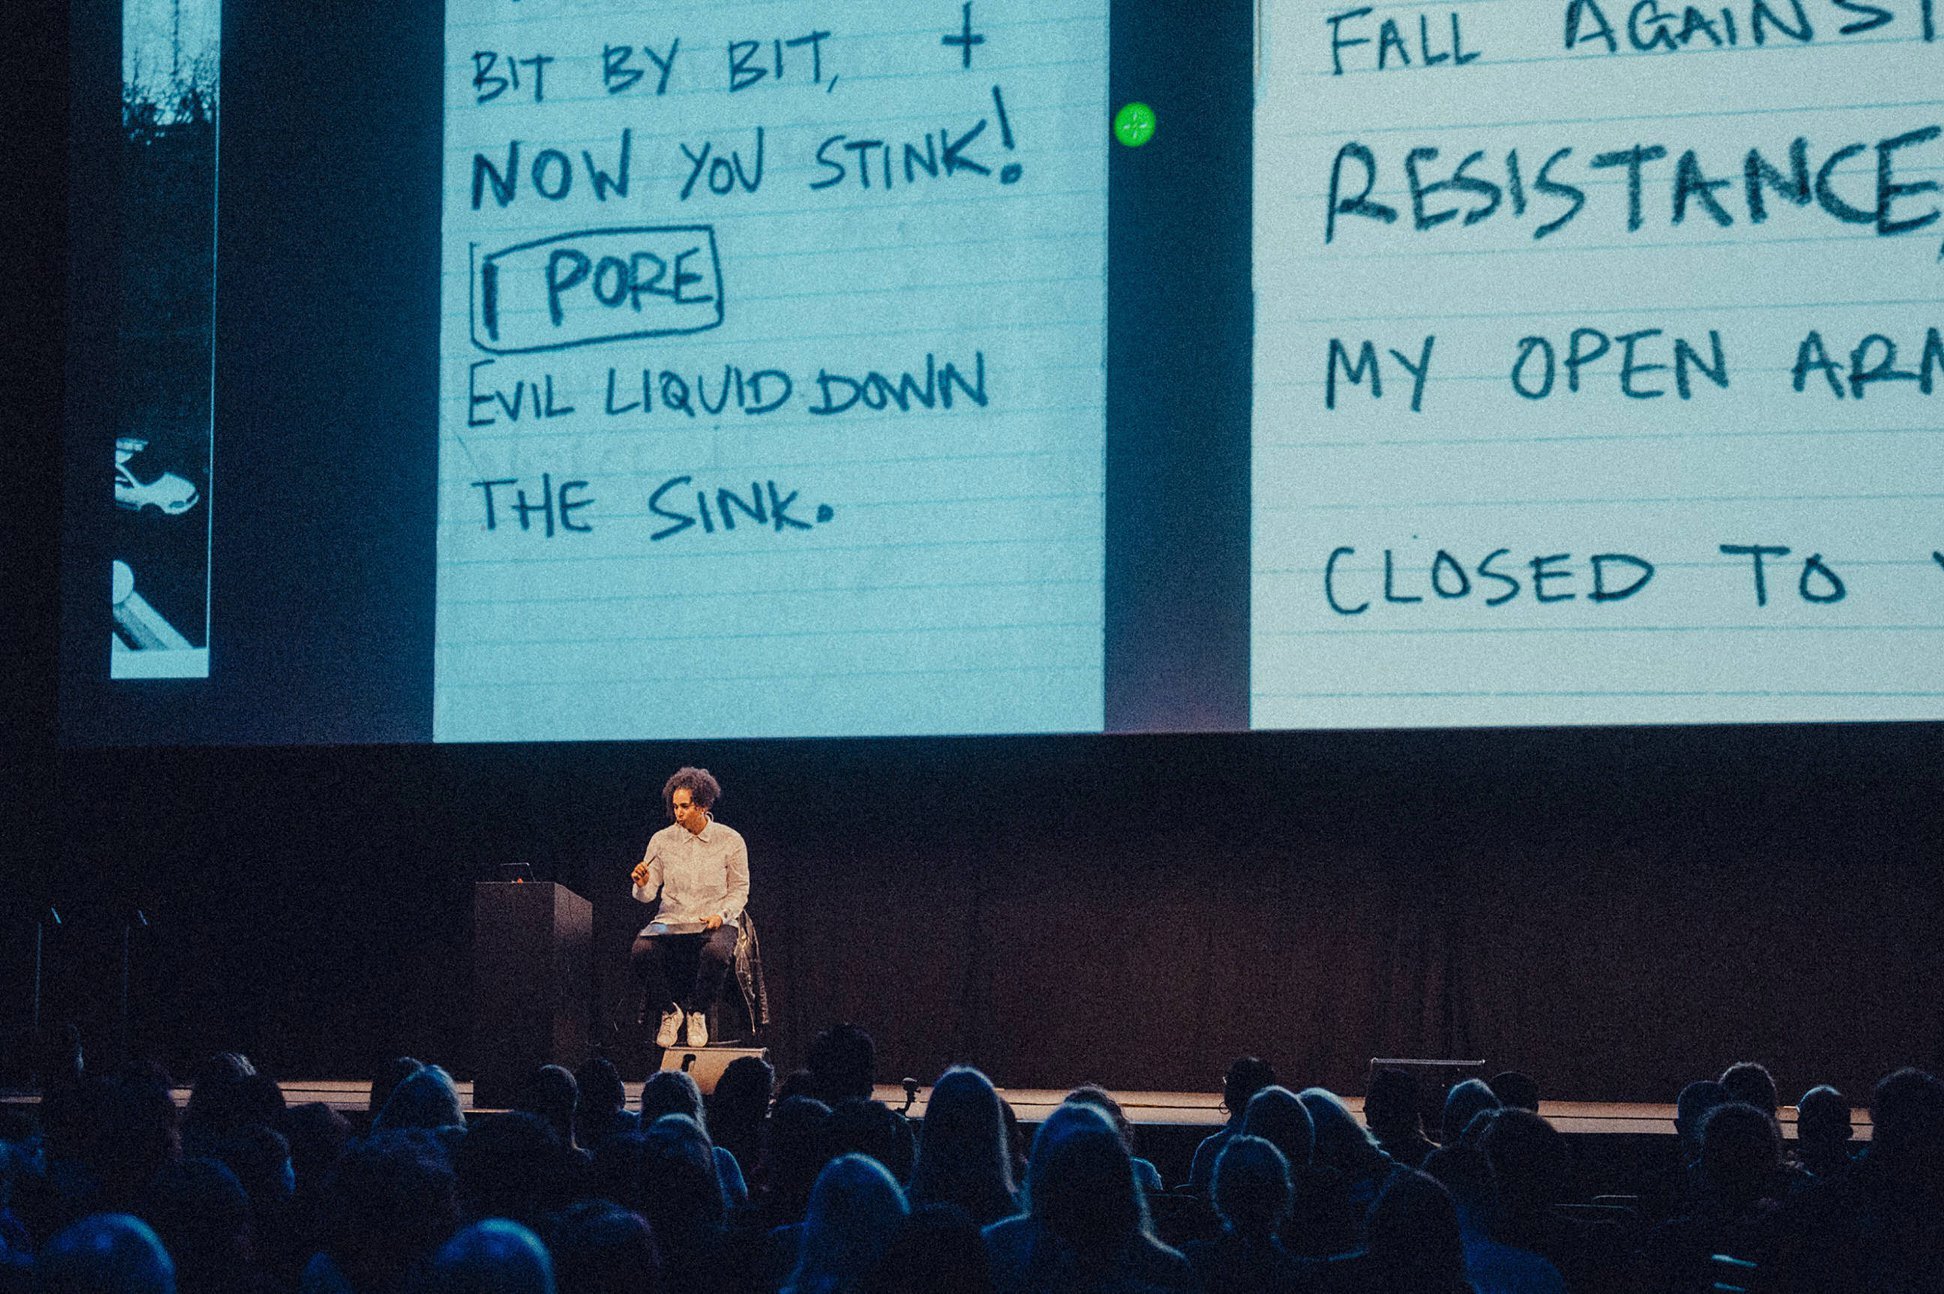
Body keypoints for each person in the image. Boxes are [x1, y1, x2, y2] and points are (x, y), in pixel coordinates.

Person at [629, 767, 749, 1050]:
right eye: (675, 807)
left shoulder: (730, 840)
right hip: (672, 921)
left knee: (716, 952)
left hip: (714, 920)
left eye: (684, 806)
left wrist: (721, 915)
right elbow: (647, 894)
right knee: (641, 951)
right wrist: (642, 884)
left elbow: (739, 890)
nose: (678, 813)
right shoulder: (661, 840)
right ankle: (670, 1011)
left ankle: (697, 1012)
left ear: (703, 805)